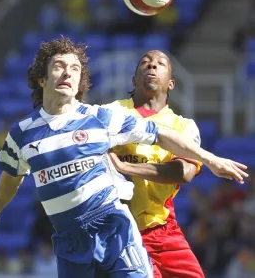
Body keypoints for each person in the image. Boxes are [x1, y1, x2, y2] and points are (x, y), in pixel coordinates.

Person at [0, 38, 248, 278]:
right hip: (68, 239)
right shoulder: (21, 133)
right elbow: (11, 174)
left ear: (81, 82)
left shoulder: (99, 118)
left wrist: (211, 159)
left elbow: (166, 142)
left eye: (75, 68)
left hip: (122, 226)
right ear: (42, 78)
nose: (68, 73)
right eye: (59, 66)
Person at [105, 49, 246, 278]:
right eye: (145, 63)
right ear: (133, 79)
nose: (152, 66)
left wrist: (127, 167)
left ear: (171, 83)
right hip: (118, 230)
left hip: (161, 229)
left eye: (160, 63)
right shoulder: (112, 112)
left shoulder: (183, 126)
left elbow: (184, 172)